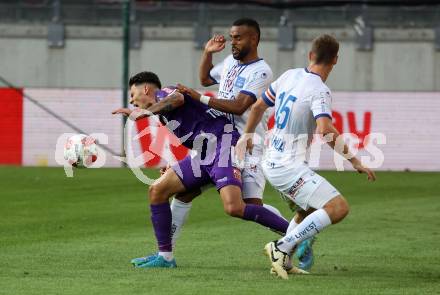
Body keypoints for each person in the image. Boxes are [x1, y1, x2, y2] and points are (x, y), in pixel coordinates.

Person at [174, 17, 314, 271]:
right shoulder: (229, 62)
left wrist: (200, 98)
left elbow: (240, 105)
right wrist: (207, 53)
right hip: (219, 142)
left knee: (250, 206)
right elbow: (206, 78)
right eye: (231, 37)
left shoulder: (261, 72)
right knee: (185, 193)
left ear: (254, 39)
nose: (232, 42)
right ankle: (165, 256)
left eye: (238, 37)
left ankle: (299, 235)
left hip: (245, 143)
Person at [112, 71, 289, 268]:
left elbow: (178, 98)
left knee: (234, 207)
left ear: (145, 88)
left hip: (223, 146)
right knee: (157, 190)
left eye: (132, 93)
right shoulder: (162, 114)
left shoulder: (165, 93)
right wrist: (176, 165)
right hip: (203, 155)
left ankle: (297, 235)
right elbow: (197, 132)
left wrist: (144, 113)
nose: (131, 100)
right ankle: (165, 257)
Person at [237, 34, 376, 279]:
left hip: (272, 160)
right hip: (287, 166)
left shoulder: (289, 75)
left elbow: (258, 106)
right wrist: (354, 160)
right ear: (335, 60)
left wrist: (247, 135)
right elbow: (325, 129)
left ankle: (286, 260)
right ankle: (280, 247)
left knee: (307, 210)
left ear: (310, 55)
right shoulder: (320, 90)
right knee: (338, 207)